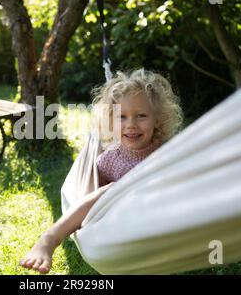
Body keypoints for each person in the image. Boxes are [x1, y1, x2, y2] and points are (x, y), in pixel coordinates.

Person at [19, 69, 183, 274]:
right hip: (122, 224)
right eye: (122, 117)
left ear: (157, 119)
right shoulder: (108, 159)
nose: (131, 125)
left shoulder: (169, 151)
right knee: (111, 190)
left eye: (141, 116)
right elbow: (96, 203)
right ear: (110, 120)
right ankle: (49, 239)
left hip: (159, 217)